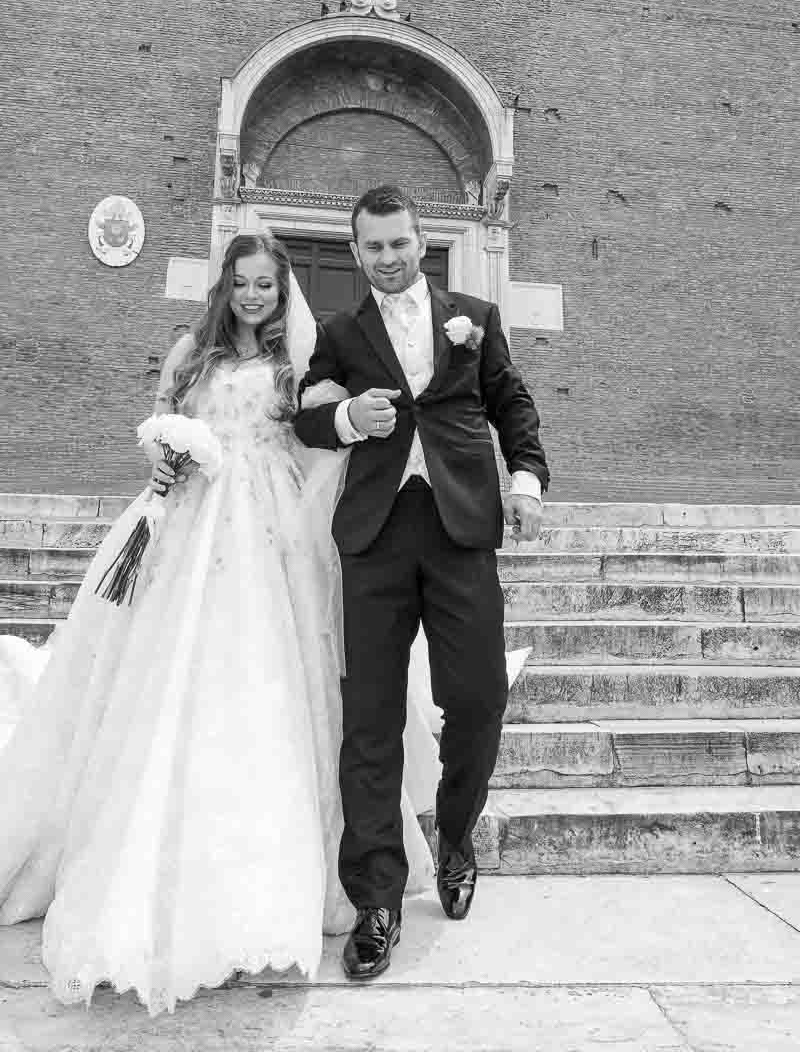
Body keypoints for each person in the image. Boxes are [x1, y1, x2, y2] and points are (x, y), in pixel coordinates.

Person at [0, 230, 438, 1015]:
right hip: (187, 528)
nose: (251, 295)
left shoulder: (294, 365)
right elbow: (162, 422)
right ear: (224, 287)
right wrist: (163, 456)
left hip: (267, 530)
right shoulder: (188, 355)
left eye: (265, 284)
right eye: (240, 283)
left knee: (264, 680)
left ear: (282, 289)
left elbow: (316, 444)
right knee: (166, 679)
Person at [294, 184, 550, 981]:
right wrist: (344, 422)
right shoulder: (340, 332)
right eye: (372, 247)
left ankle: (456, 836)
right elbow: (303, 412)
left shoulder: (474, 314)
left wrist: (526, 482)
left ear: (419, 238)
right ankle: (376, 900)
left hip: (461, 526)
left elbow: (512, 402)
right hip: (373, 536)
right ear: (355, 251)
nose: (388, 258)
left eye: (399, 243)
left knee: (478, 697)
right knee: (368, 716)